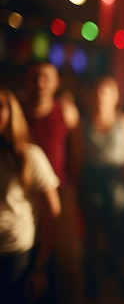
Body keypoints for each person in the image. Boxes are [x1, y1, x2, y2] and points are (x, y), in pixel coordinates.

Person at [20, 61, 83, 304]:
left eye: (46, 77)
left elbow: (76, 152)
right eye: (35, 77)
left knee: (65, 254)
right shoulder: (17, 110)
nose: (40, 83)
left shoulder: (65, 112)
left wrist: (71, 188)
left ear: (56, 83)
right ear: (27, 81)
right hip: (25, 191)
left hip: (60, 189)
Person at [72, 75, 124, 300]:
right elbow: (78, 157)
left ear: (115, 96)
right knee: (91, 233)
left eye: (106, 92)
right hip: (92, 178)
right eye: (98, 92)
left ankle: (119, 276)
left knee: (116, 231)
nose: (101, 97)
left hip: (116, 179)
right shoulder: (82, 123)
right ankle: (91, 280)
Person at [0, 85, 62, 303]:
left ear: (11, 112)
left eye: (0, 106)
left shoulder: (29, 156)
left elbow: (53, 210)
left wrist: (40, 266)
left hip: (15, 254)